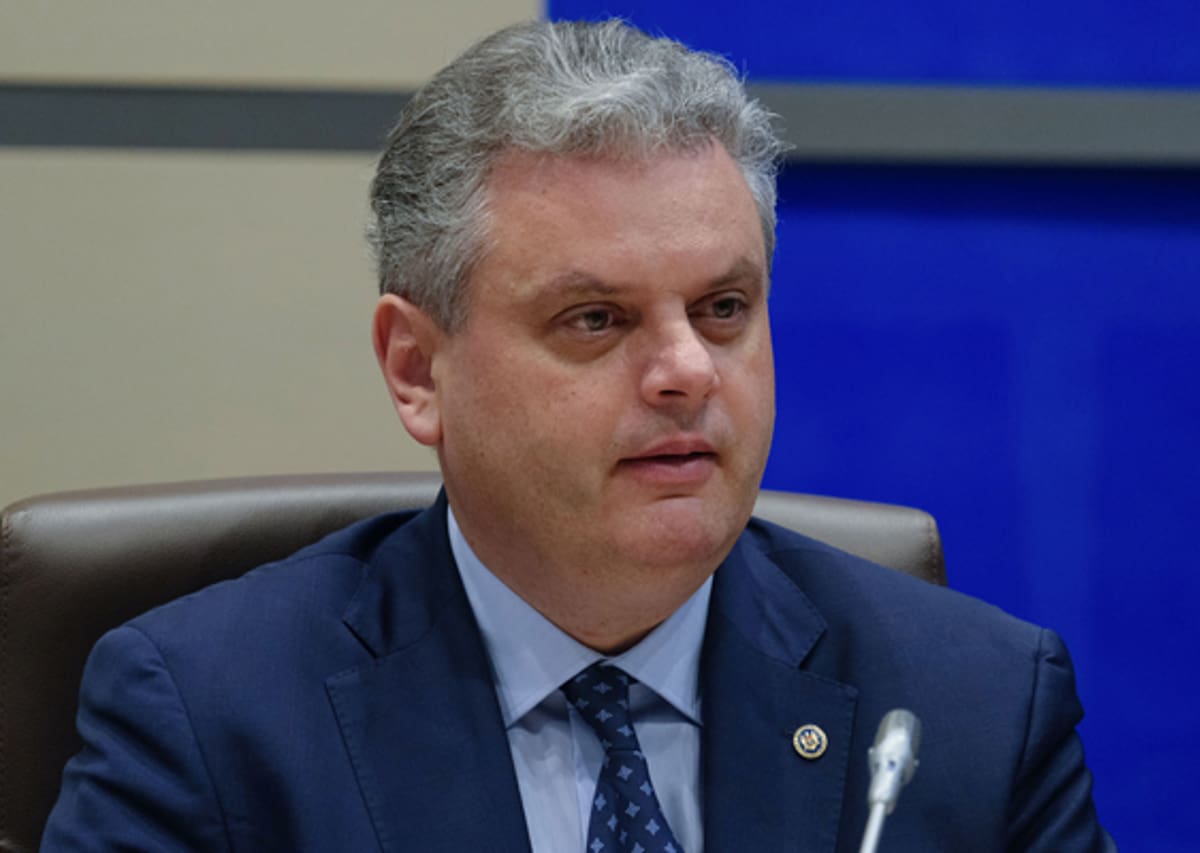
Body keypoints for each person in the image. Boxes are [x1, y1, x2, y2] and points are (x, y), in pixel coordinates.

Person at [41, 19, 1112, 852]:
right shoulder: (210, 721)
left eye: (723, 308)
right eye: (595, 319)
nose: (688, 369)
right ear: (417, 369)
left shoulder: (969, 708)